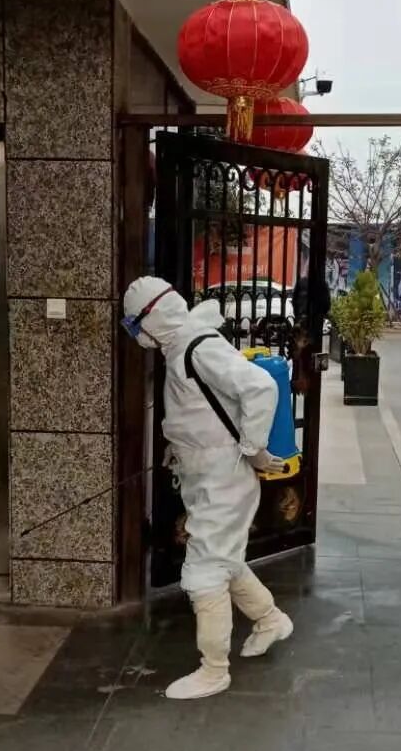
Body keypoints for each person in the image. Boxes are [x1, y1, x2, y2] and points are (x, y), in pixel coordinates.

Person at [122, 276, 294, 700]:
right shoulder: (180, 347)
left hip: (225, 478)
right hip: (208, 475)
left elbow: (260, 387)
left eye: (136, 324)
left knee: (204, 570)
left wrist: (253, 447)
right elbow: (198, 414)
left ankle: (214, 669)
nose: (136, 335)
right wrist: (178, 448)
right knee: (223, 558)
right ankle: (270, 620)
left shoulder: (199, 347)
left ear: (154, 317)